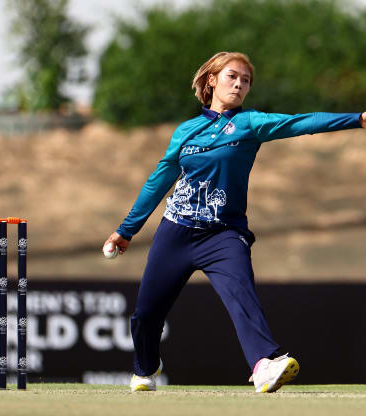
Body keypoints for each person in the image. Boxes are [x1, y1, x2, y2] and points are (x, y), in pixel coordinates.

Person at [103, 51, 366, 393]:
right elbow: (159, 181)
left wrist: (357, 119)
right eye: (232, 76)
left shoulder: (250, 123)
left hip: (224, 234)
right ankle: (146, 368)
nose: (239, 84)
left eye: (246, 80)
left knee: (241, 295)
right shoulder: (186, 131)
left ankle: (264, 364)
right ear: (211, 80)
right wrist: (126, 230)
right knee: (146, 315)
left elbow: (303, 122)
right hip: (176, 232)